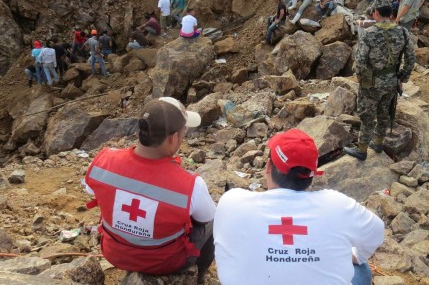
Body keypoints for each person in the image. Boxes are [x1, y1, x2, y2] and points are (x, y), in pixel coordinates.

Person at [214, 128, 384, 285]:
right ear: (312, 176)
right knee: (361, 269)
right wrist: (357, 256)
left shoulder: (232, 202)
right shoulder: (337, 206)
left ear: (268, 167)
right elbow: (376, 231)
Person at [84, 97, 216, 278]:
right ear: (174, 138)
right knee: (212, 221)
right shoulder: (191, 185)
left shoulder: (103, 161)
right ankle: (200, 276)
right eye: (183, 132)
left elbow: (92, 191)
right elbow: (207, 217)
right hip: (164, 262)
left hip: (115, 253)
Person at [343, 0, 415, 160]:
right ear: (390, 15)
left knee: (367, 116)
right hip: (391, 81)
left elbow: (360, 61)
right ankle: (378, 142)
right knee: (384, 113)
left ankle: (361, 150)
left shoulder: (370, 33)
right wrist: (402, 77)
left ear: (376, 13)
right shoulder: (402, 32)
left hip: (371, 83)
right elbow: (411, 58)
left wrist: (360, 78)